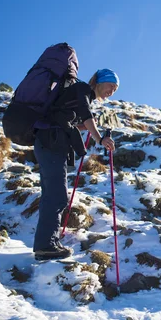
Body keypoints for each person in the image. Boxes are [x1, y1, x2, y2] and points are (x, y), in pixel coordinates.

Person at [33, 69, 119, 261]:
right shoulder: (81, 89)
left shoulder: (81, 95)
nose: (112, 91)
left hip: (50, 143)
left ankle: (47, 243)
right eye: (111, 86)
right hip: (51, 144)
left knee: (52, 194)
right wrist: (99, 139)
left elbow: (68, 120)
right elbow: (86, 115)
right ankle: (46, 246)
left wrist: (83, 126)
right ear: (99, 82)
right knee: (57, 196)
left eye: (115, 89)